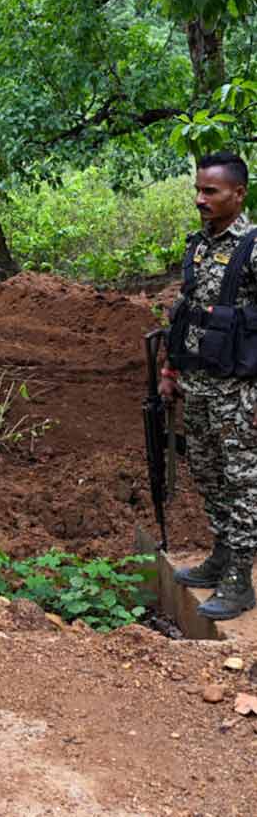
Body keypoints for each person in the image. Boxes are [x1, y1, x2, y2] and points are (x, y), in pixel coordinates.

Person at [162, 151, 257, 620]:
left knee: (244, 483)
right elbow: (186, 313)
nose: (200, 199)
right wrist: (170, 371)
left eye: (211, 191)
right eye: (198, 190)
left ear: (238, 194)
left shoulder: (252, 248)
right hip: (198, 385)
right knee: (207, 473)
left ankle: (240, 579)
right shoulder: (198, 245)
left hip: (240, 391)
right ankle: (221, 555)